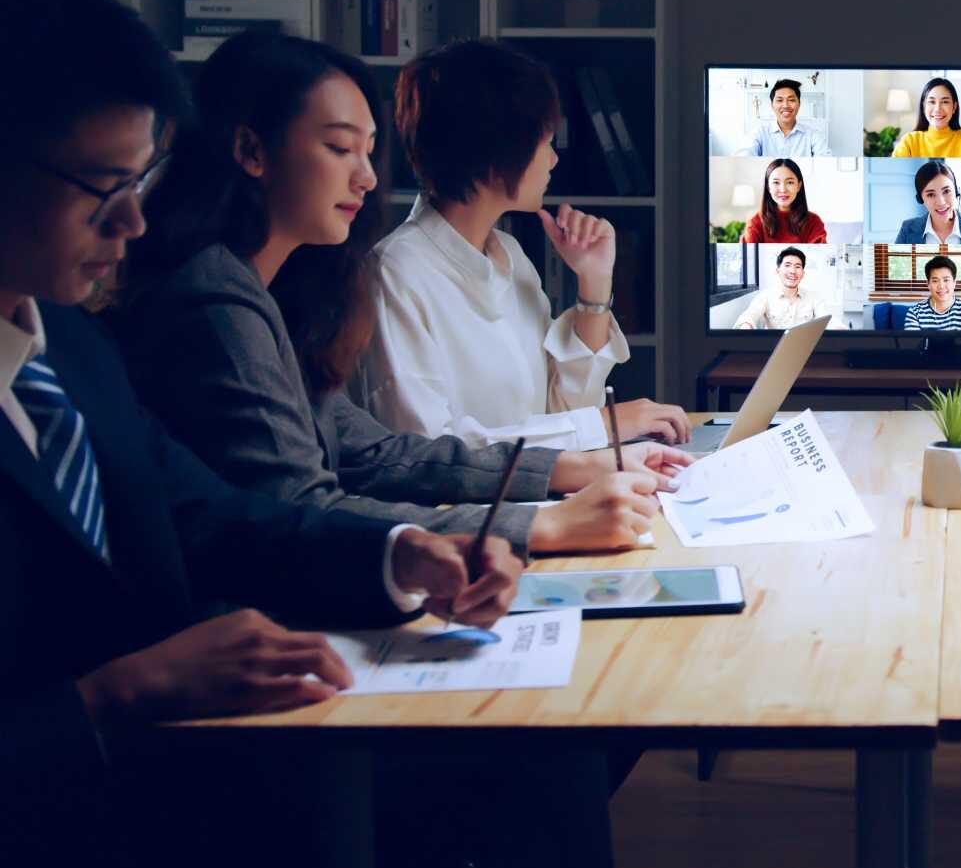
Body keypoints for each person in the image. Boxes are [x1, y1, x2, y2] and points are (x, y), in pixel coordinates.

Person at [0, 0, 521, 868]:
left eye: (141, 177)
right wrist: (118, 696)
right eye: (101, 184)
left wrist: (399, 553)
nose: (133, 220)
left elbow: (213, 514)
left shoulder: (65, 347)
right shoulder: (203, 299)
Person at [117, 32, 685, 558]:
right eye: (340, 149)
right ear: (251, 151)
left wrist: (575, 468)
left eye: (368, 152)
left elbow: (381, 454)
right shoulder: (219, 301)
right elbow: (304, 507)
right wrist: (549, 520)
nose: (367, 177)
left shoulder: (274, 296)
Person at [358, 39, 691, 450]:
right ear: (498, 150)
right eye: (545, 141)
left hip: (537, 500)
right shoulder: (395, 274)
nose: (553, 159)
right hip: (464, 513)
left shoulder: (510, 256)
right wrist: (604, 425)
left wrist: (594, 283)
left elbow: (562, 418)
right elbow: (427, 454)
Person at [732, 246, 841, 329]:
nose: (792, 271)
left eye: (797, 267)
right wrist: (746, 325)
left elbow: (829, 319)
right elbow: (749, 315)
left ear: (802, 273)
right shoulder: (765, 296)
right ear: (778, 271)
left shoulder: (814, 297)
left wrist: (838, 329)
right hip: (774, 350)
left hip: (804, 349)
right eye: (787, 265)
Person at [894, 158, 961, 245]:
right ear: (921, 199)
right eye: (931, 194)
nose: (941, 202)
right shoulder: (907, 229)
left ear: (956, 192)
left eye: (946, 191)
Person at [890, 77, 961, 157]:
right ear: (924, 106)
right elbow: (894, 175)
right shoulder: (909, 141)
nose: (937, 109)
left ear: (954, 107)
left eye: (945, 102)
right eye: (932, 102)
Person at [734, 77, 831, 156]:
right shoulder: (760, 133)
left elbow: (825, 161)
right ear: (772, 105)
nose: (785, 105)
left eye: (791, 100)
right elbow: (744, 154)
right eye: (780, 100)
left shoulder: (813, 135)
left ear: (799, 104)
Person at [740, 157, 829, 243]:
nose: (783, 189)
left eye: (790, 182)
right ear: (768, 187)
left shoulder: (814, 222)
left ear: (799, 185)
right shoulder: (755, 223)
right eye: (776, 182)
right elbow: (748, 255)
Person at [902, 255, 961, 331]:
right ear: (928, 284)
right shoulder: (915, 312)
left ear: (954, 283)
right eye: (935, 281)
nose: (941, 286)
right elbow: (913, 344)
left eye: (946, 280)